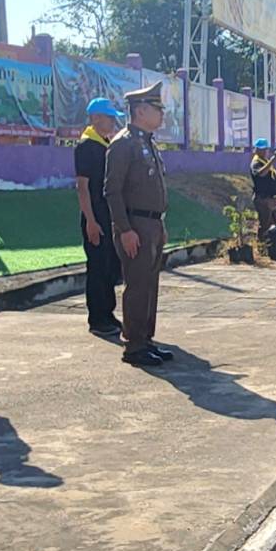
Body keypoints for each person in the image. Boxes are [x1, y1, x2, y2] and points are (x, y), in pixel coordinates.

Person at [104, 81, 174, 368]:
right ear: (141, 110)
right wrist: (125, 229)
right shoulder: (123, 144)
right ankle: (133, 345)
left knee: (149, 285)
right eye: (157, 109)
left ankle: (145, 340)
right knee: (137, 285)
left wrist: (159, 224)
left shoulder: (146, 143)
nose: (161, 114)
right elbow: (112, 191)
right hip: (135, 224)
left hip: (152, 224)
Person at [76, 97, 125, 338]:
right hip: (95, 216)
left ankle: (108, 313)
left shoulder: (106, 145)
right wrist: (91, 221)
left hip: (108, 215)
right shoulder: (86, 146)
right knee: (97, 268)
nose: (113, 122)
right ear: (96, 118)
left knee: (110, 266)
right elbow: (82, 187)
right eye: (109, 118)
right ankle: (97, 318)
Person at [250, 138, 276, 239]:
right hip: (262, 198)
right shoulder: (256, 163)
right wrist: (273, 160)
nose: (264, 151)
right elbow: (261, 173)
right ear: (256, 150)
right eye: (262, 149)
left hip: (270, 198)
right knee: (265, 224)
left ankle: (270, 244)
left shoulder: (264, 161)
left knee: (274, 223)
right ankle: (261, 244)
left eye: (265, 149)